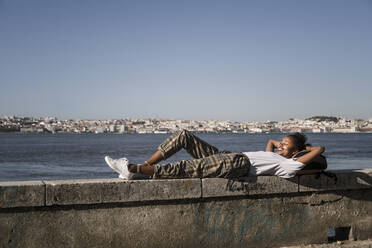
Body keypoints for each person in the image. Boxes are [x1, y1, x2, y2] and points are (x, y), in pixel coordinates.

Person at [104, 129, 325, 180]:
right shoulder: (277, 155)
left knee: (189, 168)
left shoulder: (288, 166)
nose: (279, 146)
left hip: (237, 164)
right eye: (281, 143)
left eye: (285, 145)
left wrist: (296, 151)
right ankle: (144, 166)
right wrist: (281, 144)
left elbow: (318, 150)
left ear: (296, 152)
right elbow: (269, 142)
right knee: (183, 136)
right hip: (229, 155)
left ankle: (133, 169)